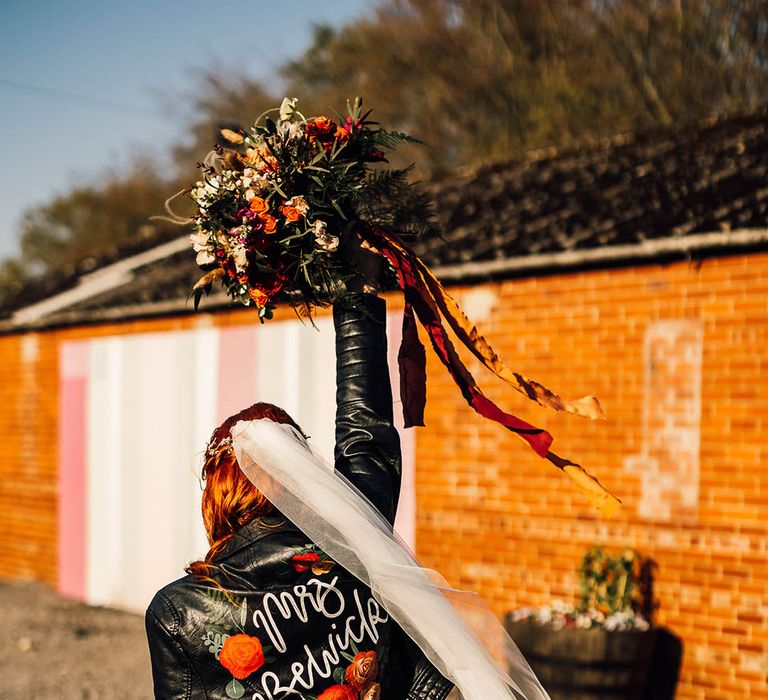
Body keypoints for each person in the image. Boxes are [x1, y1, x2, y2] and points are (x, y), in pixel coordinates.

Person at [145, 234, 459, 698]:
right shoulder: (358, 538)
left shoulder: (178, 610)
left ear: (217, 491)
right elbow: (366, 435)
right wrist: (359, 292)